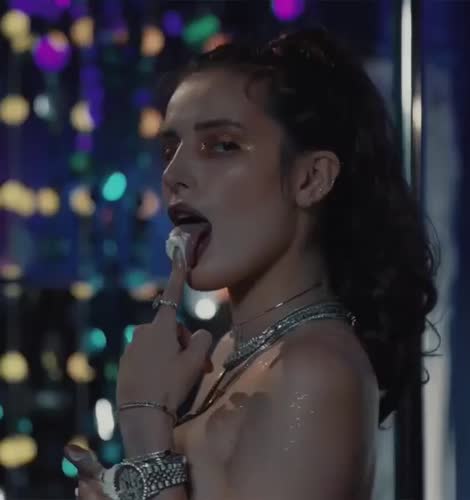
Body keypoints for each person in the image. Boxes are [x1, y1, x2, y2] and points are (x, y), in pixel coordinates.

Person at [64, 26, 439, 500]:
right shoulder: (229, 353)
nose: (173, 174)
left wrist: (143, 423)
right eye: (170, 149)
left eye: (222, 145)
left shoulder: (314, 371)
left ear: (311, 178)